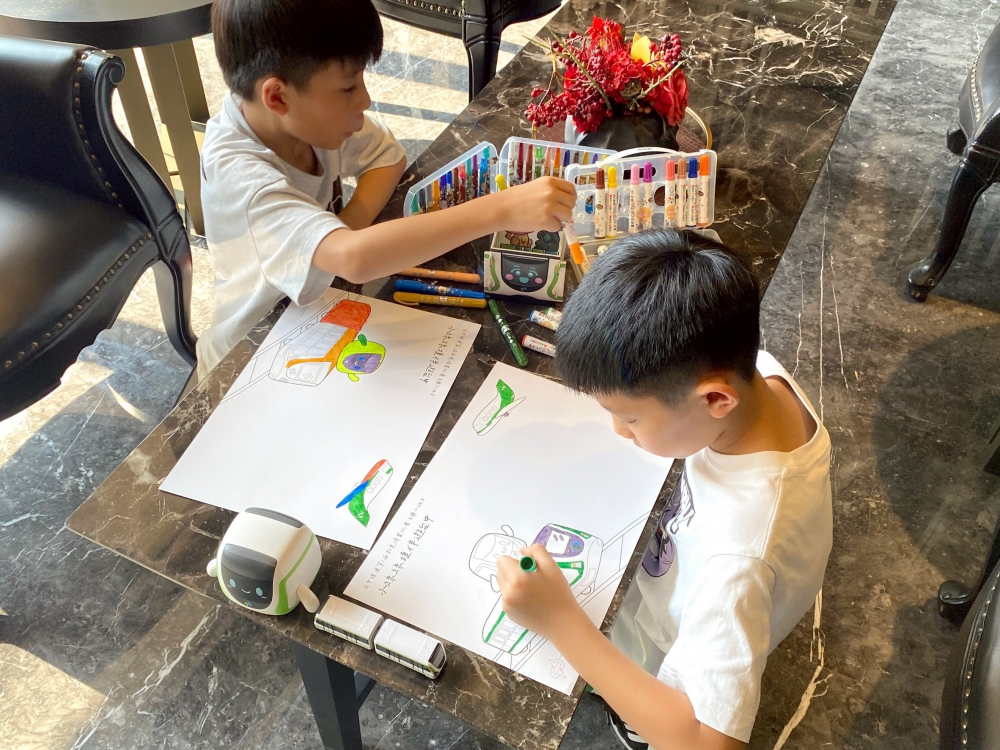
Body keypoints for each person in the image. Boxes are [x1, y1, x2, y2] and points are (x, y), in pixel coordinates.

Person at [496, 229, 832, 750]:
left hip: (660, 675)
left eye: (628, 417)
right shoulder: (760, 375)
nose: (618, 431)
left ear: (715, 399)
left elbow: (706, 742)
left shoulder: (738, 559)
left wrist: (560, 621)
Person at [197, 0, 575, 379]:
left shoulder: (299, 117)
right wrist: (500, 209)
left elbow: (387, 157)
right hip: (247, 356)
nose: (364, 100)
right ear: (277, 96)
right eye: (348, 87)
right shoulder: (241, 177)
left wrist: (346, 228)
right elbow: (354, 258)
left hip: (317, 312)